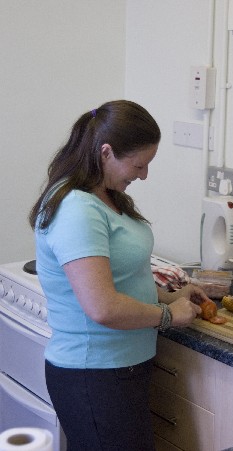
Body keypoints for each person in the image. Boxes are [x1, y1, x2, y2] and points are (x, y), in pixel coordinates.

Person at [29, 100, 213, 451]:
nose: (143, 175)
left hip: (115, 371)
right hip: (94, 375)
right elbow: (103, 307)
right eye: (139, 165)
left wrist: (170, 296)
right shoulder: (77, 209)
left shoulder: (106, 197)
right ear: (106, 153)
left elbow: (119, 279)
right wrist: (167, 316)